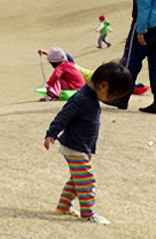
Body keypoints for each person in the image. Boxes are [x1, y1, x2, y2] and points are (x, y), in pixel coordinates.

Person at [44, 61, 132, 224]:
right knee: (87, 180)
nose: (111, 100)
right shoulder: (82, 99)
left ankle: (64, 206)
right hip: (74, 147)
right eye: (112, 96)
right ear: (103, 85)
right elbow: (63, 116)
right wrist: (51, 134)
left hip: (82, 147)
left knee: (77, 179)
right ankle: (88, 213)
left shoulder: (89, 97)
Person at [108, 0, 156, 112]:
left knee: (131, 61)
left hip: (146, 24)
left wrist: (141, 29)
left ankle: (121, 97)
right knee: (155, 63)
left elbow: (143, 5)